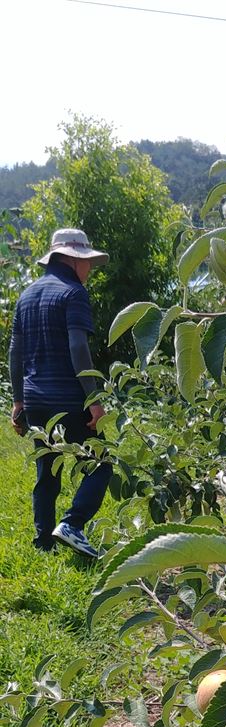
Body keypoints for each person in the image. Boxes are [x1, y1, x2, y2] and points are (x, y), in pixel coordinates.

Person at [9, 227, 112, 558]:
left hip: (37, 400)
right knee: (102, 463)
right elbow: (78, 346)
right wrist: (94, 399)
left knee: (48, 469)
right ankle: (73, 524)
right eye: (87, 263)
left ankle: (43, 542)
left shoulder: (26, 296)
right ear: (72, 259)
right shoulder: (73, 293)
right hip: (68, 399)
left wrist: (18, 401)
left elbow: (14, 353)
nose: (89, 270)